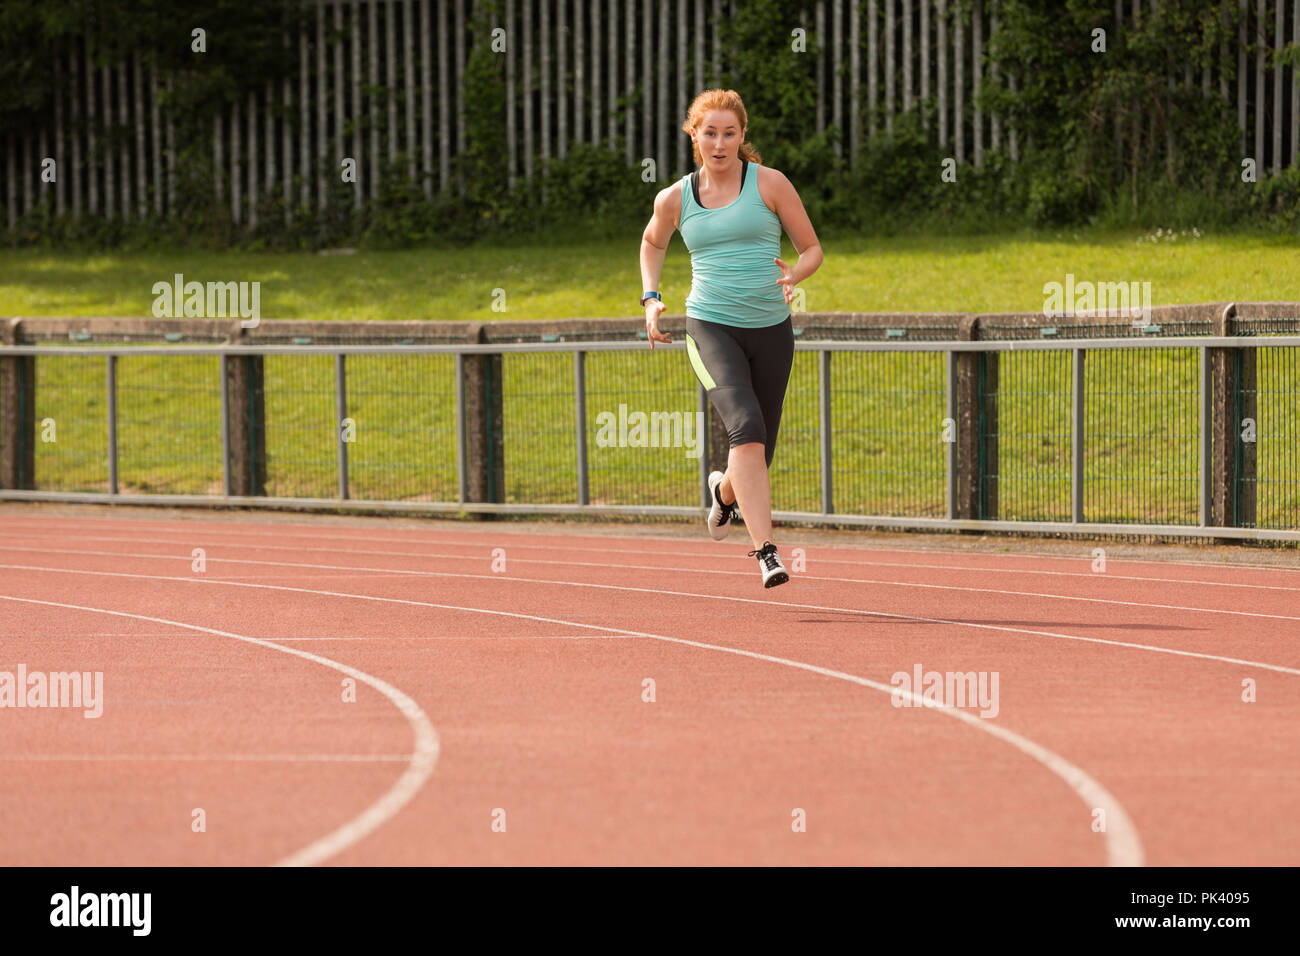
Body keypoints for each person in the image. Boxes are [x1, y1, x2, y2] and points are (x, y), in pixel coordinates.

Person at [638, 89, 823, 588]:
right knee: (745, 427)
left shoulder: (771, 184)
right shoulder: (675, 197)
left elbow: (811, 248)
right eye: (710, 132)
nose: (719, 143)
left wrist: (796, 275)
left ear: (742, 137)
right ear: (693, 134)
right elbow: (653, 241)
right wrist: (651, 297)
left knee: (760, 451)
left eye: (730, 133)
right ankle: (766, 552)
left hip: (770, 328)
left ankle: (723, 497)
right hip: (709, 325)